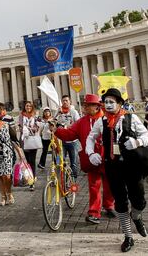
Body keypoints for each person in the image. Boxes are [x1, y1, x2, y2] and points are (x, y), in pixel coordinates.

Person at [86, 88, 148, 253]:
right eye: (105, 102)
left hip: (132, 165)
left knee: (139, 200)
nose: (107, 105)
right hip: (113, 166)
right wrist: (91, 153)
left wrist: (136, 142)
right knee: (120, 203)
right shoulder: (101, 122)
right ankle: (128, 236)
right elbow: (91, 137)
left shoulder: (131, 118)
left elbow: (146, 135)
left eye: (111, 102)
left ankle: (136, 217)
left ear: (120, 103)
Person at [51, 94, 115, 224]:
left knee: (109, 184)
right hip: (90, 159)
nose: (85, 107)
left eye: (88, 105)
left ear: (96, 107)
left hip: (107, 158)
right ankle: (94, 212)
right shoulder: (82, 122)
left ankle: (109, 205)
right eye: (85, 105)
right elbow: (70, 134)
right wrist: (57, 131)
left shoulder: (108, 119)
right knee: (94, 186)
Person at [55, 95, 80, 179]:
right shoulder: (59, 112)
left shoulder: (74, 112)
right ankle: (63, 179)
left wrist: (68, 126)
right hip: (61, 140)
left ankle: (73, 180)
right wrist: (57, 115)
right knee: (61, 160)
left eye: (66, 100)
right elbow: (53, 122)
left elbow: (78, 123)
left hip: (73, 141)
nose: (65, 102)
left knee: (74, 162)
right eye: (63, 101)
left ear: (70, 102)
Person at [18, 101, 40, 191]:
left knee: (32, 161)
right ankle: (30, 179)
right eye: (27, 106)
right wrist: (23, 129)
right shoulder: (21, 116)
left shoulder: (35, 115)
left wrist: (32, 129)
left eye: (30, 106)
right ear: (25, 107)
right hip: (24, 140)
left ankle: (32, 181)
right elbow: (19, 126)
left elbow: (38, 126)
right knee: (28, 162)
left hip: (33, 139)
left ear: (32, 107)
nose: (28, 107)